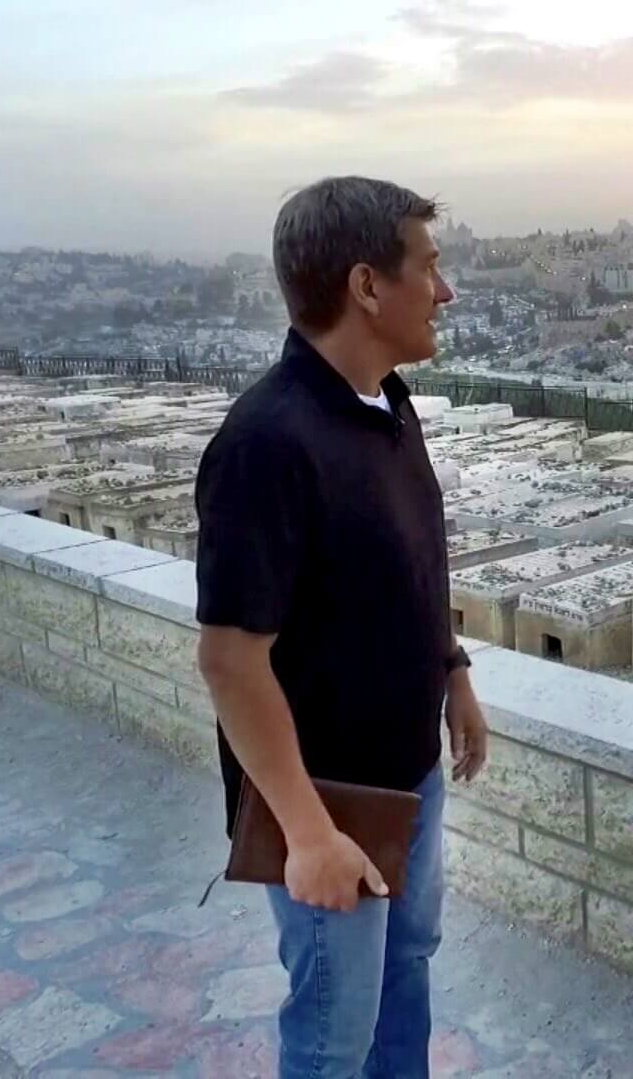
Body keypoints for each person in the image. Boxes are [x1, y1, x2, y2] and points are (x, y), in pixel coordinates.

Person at [195, 175, 487, 1078]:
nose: (445, 292)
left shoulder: (386, 406)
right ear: (367, 286)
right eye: (429, 268)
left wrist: (454, 671)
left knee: (405, 981)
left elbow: (408, 563)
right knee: (334, 1033)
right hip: (332, 807)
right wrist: (310, 835)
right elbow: (231, 662)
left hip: (408, 783)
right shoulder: (265, 445)